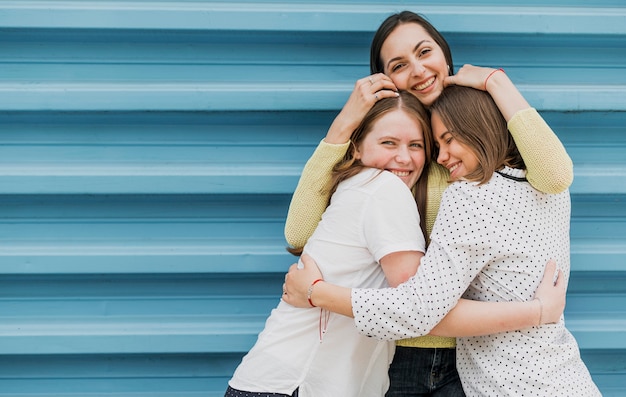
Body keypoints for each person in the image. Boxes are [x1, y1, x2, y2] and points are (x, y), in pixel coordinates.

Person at [283, 10, 574, 397]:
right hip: (392, 350)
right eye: (399, 65)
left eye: (425, 52)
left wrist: (495, 81)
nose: (418, 70)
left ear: (445, 55)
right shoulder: (389, 153)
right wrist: (345, 123)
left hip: (469, 358)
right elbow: (298, 232)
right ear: (386, 80)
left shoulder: (479, 157)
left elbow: (556, 177)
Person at [226, 92, 563, 397]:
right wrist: (537, 312)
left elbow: (556, 174)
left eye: (417, 146)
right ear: (356, 148)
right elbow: (417, 305)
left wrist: (494, 80)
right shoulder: (383, 187)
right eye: (389, 143)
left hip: (440, 358)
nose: (404, 157)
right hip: (300, 381)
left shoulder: (395, 180)